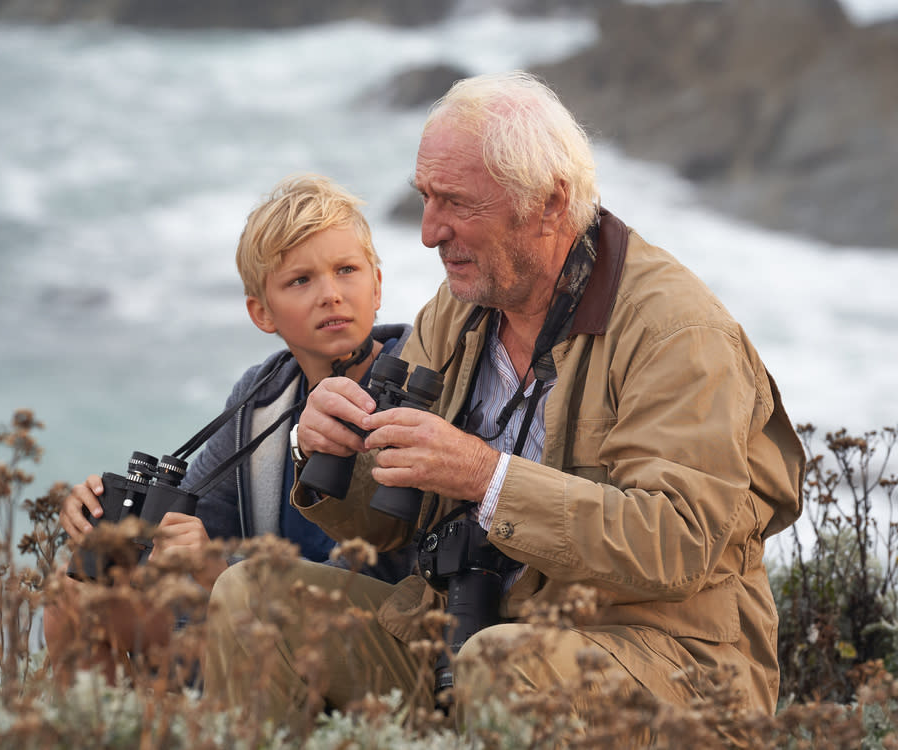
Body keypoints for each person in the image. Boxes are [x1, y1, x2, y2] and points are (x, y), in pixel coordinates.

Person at [203, 71, 805, 727]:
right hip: (466, 635)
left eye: (457, 204)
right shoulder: (460, 310)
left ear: (549, 204)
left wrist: (486, 477)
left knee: (499, 666)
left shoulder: (676, 333)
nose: (429, 232)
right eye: (425, 199)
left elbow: (677, 543)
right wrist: (327, 450)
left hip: (665, 665)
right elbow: (383, 525)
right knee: (255, 596)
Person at [44, 173, 415, 679]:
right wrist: (106, 518)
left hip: (378, 639)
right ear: (261, 313)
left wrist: (221, 572)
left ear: (377, 284)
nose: (330, 294)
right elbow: (189, 526)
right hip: (254, 617)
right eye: (300, 281)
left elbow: (393, 567)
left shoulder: (422, 381)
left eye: (346, 270)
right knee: (74, 598)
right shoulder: (263, 396)